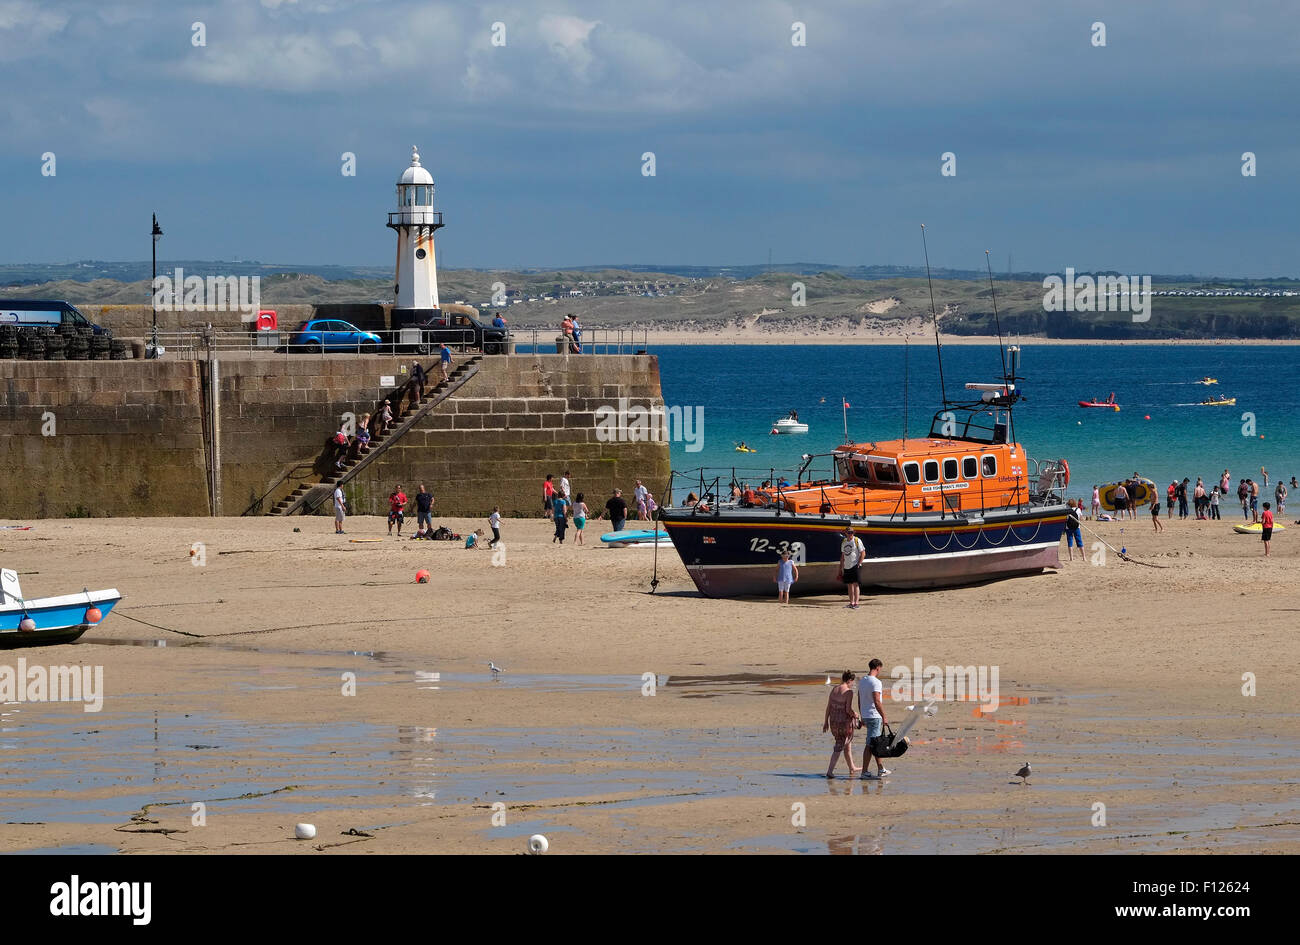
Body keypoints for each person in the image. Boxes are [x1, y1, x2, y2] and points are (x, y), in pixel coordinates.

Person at [822, 670, 861, 779]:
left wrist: (826, 722)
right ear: (849, 680)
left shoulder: (834, 689)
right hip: (844, 723)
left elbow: (828, 707)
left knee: (847, 744)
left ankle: (852, 767)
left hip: (833, 722)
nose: (852, 684)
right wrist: (855, 715)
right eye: (852, 682)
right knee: (839, 746)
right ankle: (829, 771)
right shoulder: (849, 692)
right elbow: (848, 710)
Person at [858, 659, 890, 779]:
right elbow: (877, 700)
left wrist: (862, 715)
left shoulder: (862, 681)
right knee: (871, 744)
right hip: (874, 716)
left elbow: (859, 699)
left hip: (866, 715)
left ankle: (881, 769)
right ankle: (865, 771)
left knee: (875, 744)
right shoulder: (876, 682)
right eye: (880, 669)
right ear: (877, 668)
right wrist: (884, 716)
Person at [837, 523, 865, 610]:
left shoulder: (857, 540)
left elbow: (863, 552)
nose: (850, 534)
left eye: (852, 532)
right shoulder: (844, 542)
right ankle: (851, 602)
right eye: (849, 532)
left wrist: (859, 563)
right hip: (847, 566)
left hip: (854, 565)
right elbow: (842, 556)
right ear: (845, 533)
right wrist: (840, 568)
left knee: (856, 584)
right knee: (849, 585)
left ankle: (856, 603)